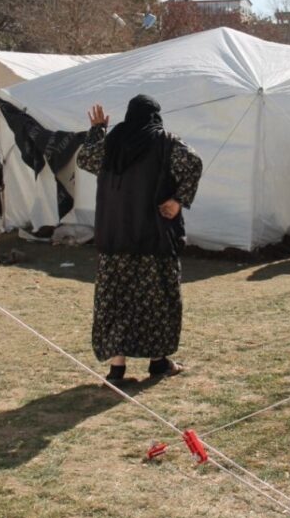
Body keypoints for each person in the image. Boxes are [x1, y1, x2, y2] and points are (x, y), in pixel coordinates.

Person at [77, 95, 203, 386]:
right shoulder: (166, 142)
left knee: (116, 301)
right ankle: (158, 362)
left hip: (115, 237)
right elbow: (193, 163)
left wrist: (98, 130)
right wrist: (177, 200)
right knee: (156, 301)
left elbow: (85, 158)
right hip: (153, 237)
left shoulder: (113, 142)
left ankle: (117, 368)